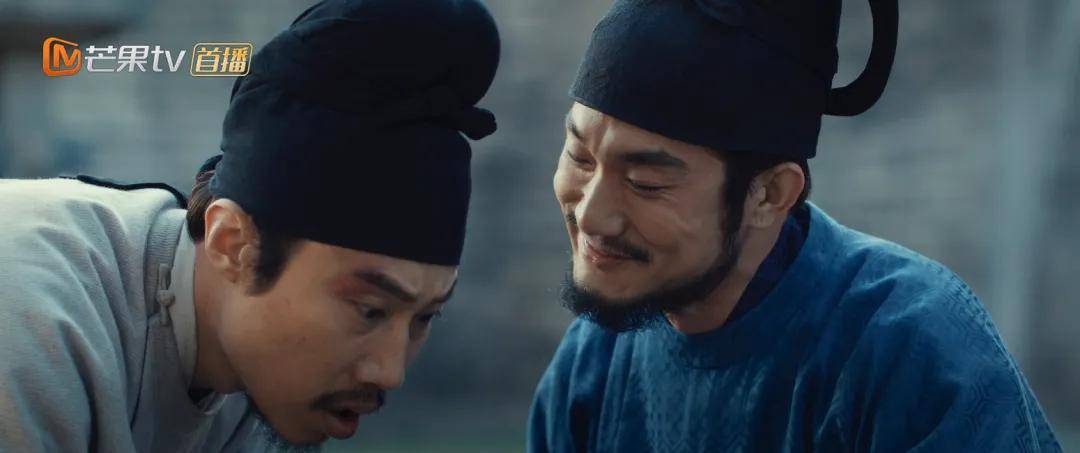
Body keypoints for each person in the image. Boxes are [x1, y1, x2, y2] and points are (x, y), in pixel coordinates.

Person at [527, 0, 1062, 451]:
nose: (591, 214)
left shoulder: (911, 350)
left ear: (769, 194)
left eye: (645, 182)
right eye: (580, 157)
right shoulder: (593, 365)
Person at [0, 0, 500, 450]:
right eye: (369, 310)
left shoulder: (261, 382)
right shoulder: (29, 315)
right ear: (233, 244)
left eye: (424, 319)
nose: (389, 372)